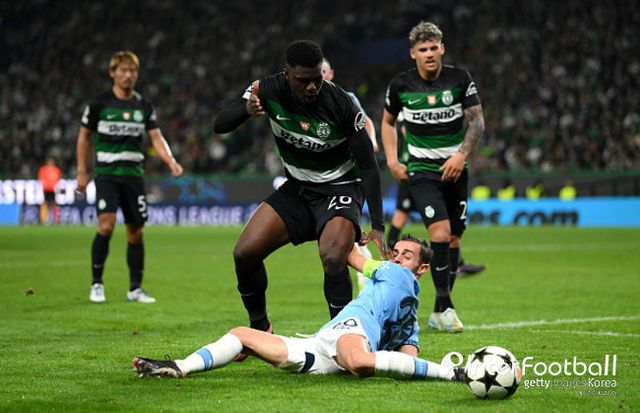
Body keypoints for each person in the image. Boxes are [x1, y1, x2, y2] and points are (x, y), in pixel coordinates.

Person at [213, 40, 389, 338]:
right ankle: (260, 330)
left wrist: (378, 224)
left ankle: (342, 337)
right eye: (303, 80)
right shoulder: (266, 89)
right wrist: (246, 109)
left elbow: (369, 167)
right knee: (244, 253)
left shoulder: (341, 104)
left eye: (316, 79)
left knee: (333, 256)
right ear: (287, 75)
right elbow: (220, 124)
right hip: (298, 188)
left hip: (340, 188)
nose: (311, 87)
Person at [133, 235, 464, 383]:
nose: (396, 258)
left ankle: (449, 373)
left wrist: (343, 229)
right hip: (335, 337)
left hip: (342, 339)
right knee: (242, 335)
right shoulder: (401, 293)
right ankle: (180, 366)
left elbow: (351, 256)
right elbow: (406, 358)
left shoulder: (396, 278)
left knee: (359, 362)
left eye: (407, 255)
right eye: (395, 252)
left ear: (422, 269)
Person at [381, 21, 485, 333]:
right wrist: (392, 160)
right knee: (439, 233)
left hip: (456, 170)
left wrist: (461, 154)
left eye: (433, 47)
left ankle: (439, 310)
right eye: (422, 49)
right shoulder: (401, 85)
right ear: (413, 53)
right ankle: (446, 306)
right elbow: (387, 122)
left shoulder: (459, 79)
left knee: (453, 238)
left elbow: (477, 121)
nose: (429, 53)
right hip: (421, 171)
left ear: (442, 49)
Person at [76, 50, 183, 304]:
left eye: (132, 71)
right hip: (107, 175)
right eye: (123, 70)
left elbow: (156, 137)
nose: (128, 75)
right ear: (112, 73)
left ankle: (135, 289)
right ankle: (97, 284)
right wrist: (82, 172)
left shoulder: (143, 106)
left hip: (133, 177)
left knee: (136, 232)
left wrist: (171, 161)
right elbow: (84, 138)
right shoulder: (99, 104)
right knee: (106, 225)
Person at [321, 57, 378, 291]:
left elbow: (366, 121)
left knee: (340, 227)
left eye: (323, 71)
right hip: (320, 174)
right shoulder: (303, 101)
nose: (320, 75)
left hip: (344, 173)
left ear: (331, 74)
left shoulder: (346, 98)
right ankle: (368, 266)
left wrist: (372, 141)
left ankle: (368, 271)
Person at [38, 156, 62, 224]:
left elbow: (58, 179)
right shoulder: (43, 169)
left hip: (53, 189)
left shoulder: (56, 170)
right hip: (46, 189)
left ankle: (55, 219)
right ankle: (43, 218)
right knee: (44, 203)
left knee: (54, 203)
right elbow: (40, 178)